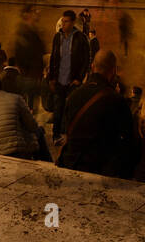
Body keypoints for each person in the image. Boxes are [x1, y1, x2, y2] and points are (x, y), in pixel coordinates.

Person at [57, 50, 137, 178]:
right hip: (100, 169)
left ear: (93, 67)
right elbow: (129, 139)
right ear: (113, 70)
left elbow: (66, 130)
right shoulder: (116, 100)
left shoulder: (74, 96)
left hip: (72, 163)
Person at [0, 73, 46, 160]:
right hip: (16, 149)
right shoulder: (16, 98)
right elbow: (32, 126)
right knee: (39, 131)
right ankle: (48, 162)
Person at [47, 10, 91, 139]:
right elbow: (53, 57)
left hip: (73, 80)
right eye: (62, 21)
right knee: (58, 108)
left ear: (72, 22)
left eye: (66, 22)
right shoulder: (57, 37)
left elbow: (86, 59)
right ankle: (56, 135)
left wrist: (79, 78)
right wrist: (52, 77)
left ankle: (71, 135)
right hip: (59, 78)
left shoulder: (80, 38)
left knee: (72, 109)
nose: (63, 24)